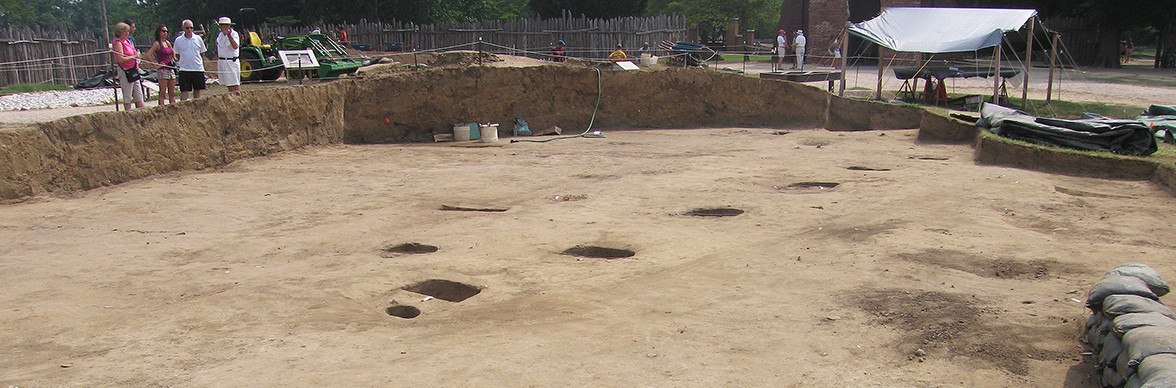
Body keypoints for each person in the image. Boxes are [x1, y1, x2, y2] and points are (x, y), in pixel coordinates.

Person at [111, 22, 145, 110]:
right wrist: (133, 57)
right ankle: (128, 112)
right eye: (125, 31)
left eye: (128, 31)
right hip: (125, 70)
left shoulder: (127, 41)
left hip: (134, 69)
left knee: (138, 93)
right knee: (128, 95)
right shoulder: (118, 43)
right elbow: (120, 59)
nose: (127, 33)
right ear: (119, 32)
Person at [173, 19, 206, 101]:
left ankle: (197, 109)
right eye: (187, 28)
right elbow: (177, 54)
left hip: (197, 68)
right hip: (184, 69)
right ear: (183, 28)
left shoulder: (198, 39)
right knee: (184, 91)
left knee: (197, 91)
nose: (190, 30)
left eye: (191, 28)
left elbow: (202, 53)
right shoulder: (178, 40)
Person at [144, 24, 176, 105]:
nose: (165, 33)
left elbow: (173, 51)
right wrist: (155, 65)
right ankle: (161, 108)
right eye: (163, 31)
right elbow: (148, 55)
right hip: (163, 69)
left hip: (170, 68)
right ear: (159, 32)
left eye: (166, 31)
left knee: (172, 92)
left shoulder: (167, 43)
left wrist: (172, 59)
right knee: (163, 92)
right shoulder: (157, 43)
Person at [215, 17, 241, 92]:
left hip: (231, 62)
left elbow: (235, 46)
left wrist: (229, 35)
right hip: (222, 61)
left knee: (234, 84)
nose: (221, 27)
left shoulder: (234, 34)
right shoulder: (220, 35)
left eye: (224, 25)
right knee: (228, 84)